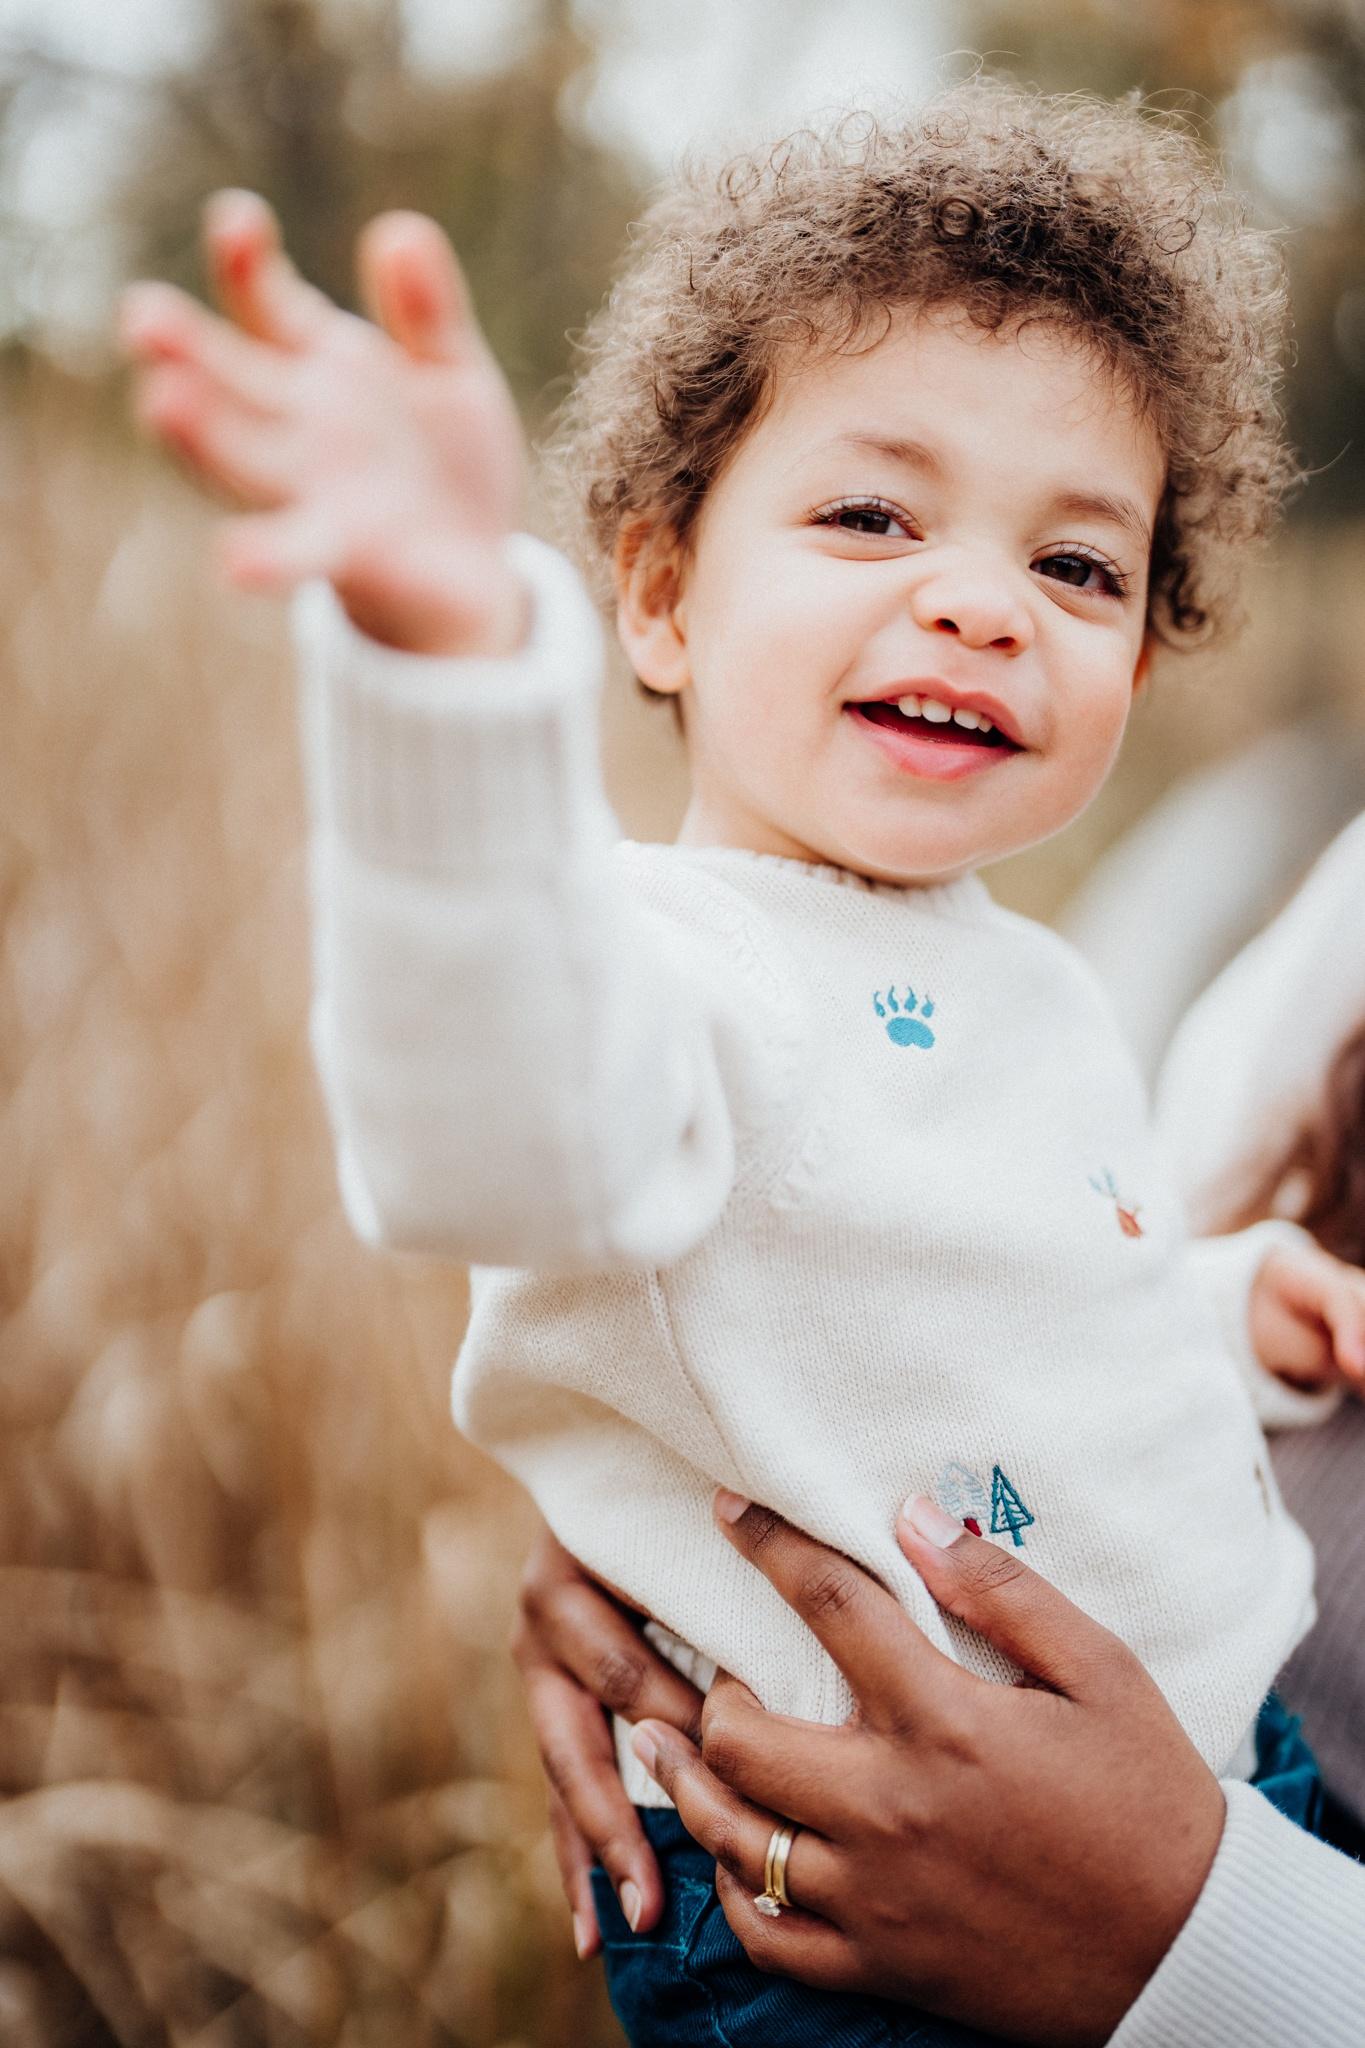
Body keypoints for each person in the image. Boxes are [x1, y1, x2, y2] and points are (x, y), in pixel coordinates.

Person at [119, 79, 1365, 2046]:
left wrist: (1208, 1310)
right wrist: (447, 677)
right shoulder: (666, 964)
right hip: (851, 1899)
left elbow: (966, 1299)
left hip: (1214, 1821)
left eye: (1075, 567)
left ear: (1133, 664)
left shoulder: (1011, 977)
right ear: (660, 593)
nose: (973, 596)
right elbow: (502, 1140)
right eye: (869, 512)